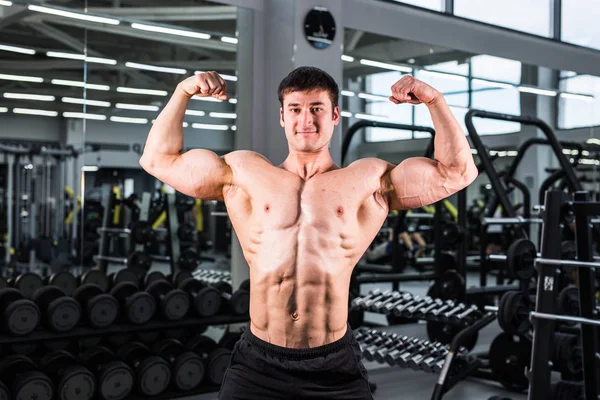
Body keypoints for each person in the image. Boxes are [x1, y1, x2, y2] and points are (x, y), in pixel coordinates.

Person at [139, 67, 478, 400]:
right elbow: (158, 160)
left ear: (334, 114)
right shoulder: (243, 173)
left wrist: (435, 100)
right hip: (258, 363)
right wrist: (183, 91)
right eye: (296, 109)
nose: (306, 120)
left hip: (333, 366)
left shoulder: (367, 180)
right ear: (282, 116)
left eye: (316, 109)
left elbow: (458, 172)